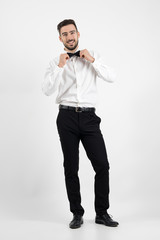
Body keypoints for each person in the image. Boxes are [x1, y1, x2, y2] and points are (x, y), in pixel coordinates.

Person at [42, 19, 119, 229]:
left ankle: (102, 213)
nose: (69, 36)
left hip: (89, 117)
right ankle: (76, 213)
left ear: (78, 34)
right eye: (65, 34)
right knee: (71, 168)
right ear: (60, 38)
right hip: (66, 117)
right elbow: (47, 90)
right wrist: (60, 66)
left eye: (72, 32)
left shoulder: (93, 55)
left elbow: (112, 77)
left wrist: (92, 60)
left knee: (102, 165)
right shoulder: (56, 62)